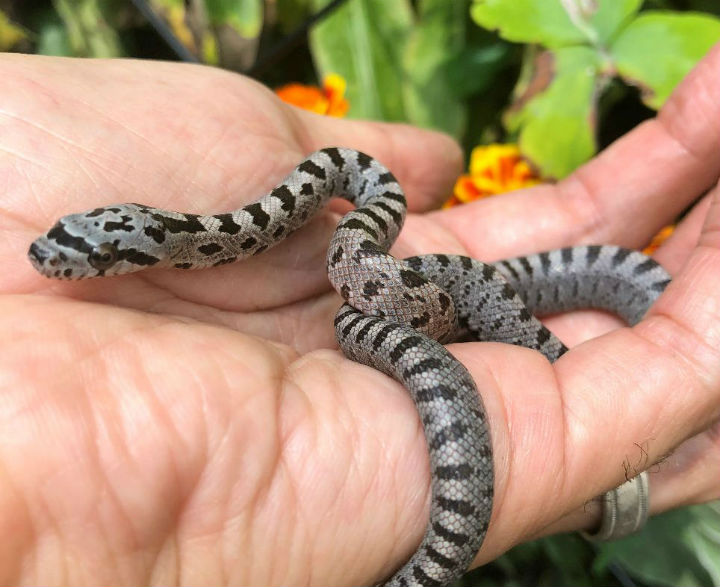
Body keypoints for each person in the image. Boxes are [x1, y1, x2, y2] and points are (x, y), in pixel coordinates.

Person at [0, 44, 718, 586]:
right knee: (376, 318)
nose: (61, 261)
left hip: (445, 296)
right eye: (82, 253)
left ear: (131, 238)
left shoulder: (349, 214)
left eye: (82, 255)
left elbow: (380, 202)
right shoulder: (215, 234)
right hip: (429, 309)